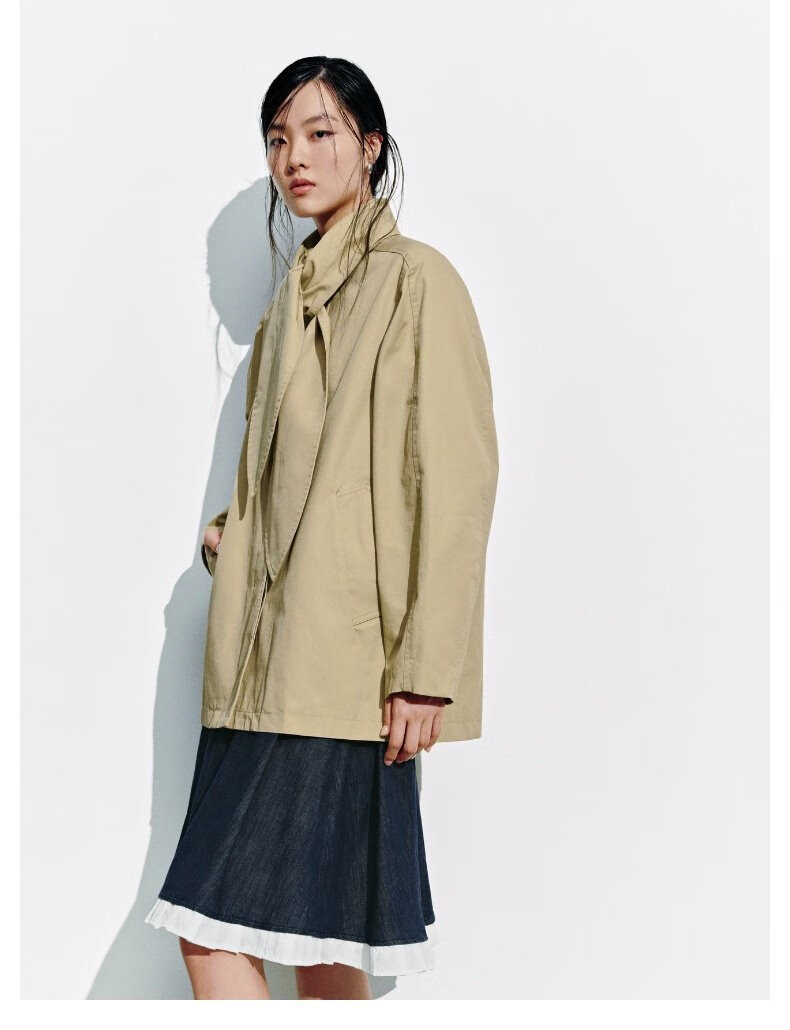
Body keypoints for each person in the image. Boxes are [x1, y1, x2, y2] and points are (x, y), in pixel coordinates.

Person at [144, 55, 499, 1000]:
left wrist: (427, 670)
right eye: (277, 139)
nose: (293, 157)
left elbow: (456, 483)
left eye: (319, 132)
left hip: (343, 672)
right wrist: (230, 530)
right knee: (318, 941)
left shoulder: (418, 284)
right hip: (258, 663)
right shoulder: (290, 300)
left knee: (213, 934)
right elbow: (297, 471)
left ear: (370, 146)